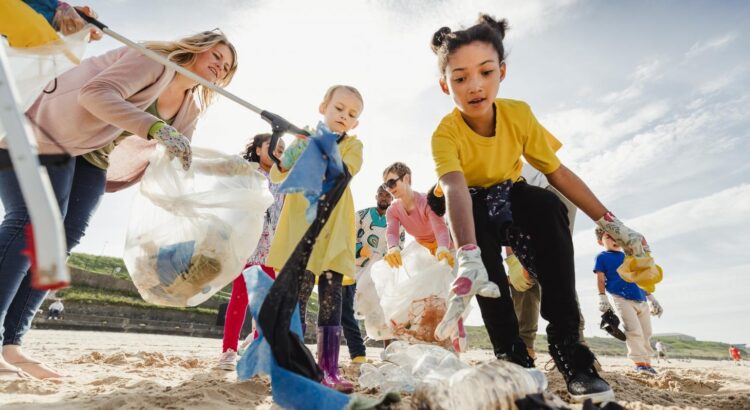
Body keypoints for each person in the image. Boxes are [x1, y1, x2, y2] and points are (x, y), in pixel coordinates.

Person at [428, 14, 657, 402]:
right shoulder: (445, 133)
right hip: (468, 201)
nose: (475, 86)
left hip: (511, 191)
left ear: (502, 71)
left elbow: (558, 172)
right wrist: (467, 254)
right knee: (483, 263)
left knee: (549, 207)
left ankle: (570, 351)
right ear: (444, 85)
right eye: (460, 78)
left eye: (485, 72)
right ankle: (512, 360)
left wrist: (613, 224)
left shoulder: (518, 114)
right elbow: (454, 189)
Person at [0, 30, 237, 379]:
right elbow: (93, 94)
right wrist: (155, 127)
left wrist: (227, 168)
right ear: (195, 50)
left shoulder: (191, 106)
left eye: (228, 66)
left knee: (63, 240)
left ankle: (12, 345)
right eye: (216, 57)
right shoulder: (152, 61)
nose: (220, 66)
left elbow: (180, 156)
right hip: (44, 131)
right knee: (33, 223)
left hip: (92, 155)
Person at [267, 85, 364, 393]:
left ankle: (330, 368)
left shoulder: (353, 145)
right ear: (323, 106)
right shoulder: (301, 140)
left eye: (351, 114)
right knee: (296, 297)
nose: (344, 116)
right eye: (339, 108)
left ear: (356, 123)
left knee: (331, 300)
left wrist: (318, 147)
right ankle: (294, 364)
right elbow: (277, 176)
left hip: (334, 233)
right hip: (302, 230)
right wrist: (291, 154)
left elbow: (340, 172)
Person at [215, 133, 285, 371]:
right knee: (239, 299)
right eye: (273, 146)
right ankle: (228, 351)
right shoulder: (248, 173)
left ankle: (257, 352)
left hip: (272, 252)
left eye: (283, 149)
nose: (279, 151)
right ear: (257, 150)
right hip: (248, 246)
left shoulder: (284, 181)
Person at [595, 227, 662, 374]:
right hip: (621, 298)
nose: (614, 240)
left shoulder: (629, 256)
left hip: (641, 298)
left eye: (616, 237)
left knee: (646, 332)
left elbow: (641, 278)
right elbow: (600, 278)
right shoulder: (602, 257)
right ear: (600, 241)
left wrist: (652, 299)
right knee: (633, 330)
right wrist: (602, 297)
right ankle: (639, 362)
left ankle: (647, 362)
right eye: (609, 237)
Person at [353, 185, 404, 350]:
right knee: (354, 304)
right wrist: (361, 250)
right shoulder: (361, 216)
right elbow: (348, 239)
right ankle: (356, 344)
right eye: (381, 194)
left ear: (392, 198)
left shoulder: (398, 222)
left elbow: (399, 245)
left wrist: (389, 258)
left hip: (383, 272)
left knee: (383, 308)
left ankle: (387, 348)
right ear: (376, 196)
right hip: (359, 268)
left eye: (388, 195)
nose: (384, 198)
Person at [381, 162, 453, 269]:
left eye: (391, 183)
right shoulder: (392, 211)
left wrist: (443, 249)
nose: (389, 189)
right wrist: (393, 248)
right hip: (423, 251)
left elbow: (440, 228)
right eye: (386, 186)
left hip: (446, 246)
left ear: (406, 178)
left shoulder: (426, 202)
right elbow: (392, 232)